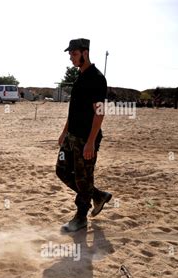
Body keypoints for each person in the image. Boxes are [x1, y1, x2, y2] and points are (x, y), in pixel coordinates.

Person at [56, 38, 112, 232]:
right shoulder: (79, 77)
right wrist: (64, 132)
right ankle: (97, 195)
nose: (71, 57)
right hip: (71, 136)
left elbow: (99, 112)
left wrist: (90, 142)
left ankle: (81, 218)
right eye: (70, 54)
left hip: (86, 138)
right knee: (61, 170)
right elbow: (75, 110)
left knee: (82, 178)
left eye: (74, 54)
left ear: (84, 53)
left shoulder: (97, 78)